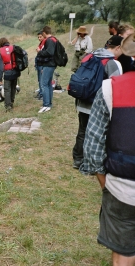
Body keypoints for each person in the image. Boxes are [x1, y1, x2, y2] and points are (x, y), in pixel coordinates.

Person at [80, 33, 135, 266]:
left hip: (122, 189)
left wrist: (107, 185)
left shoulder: (111, 89)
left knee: (124, 252)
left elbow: (92, 149)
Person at [72, 35, 123, 169]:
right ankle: (93, 162)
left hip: (82, 100)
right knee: (98, 133)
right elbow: (116, 85)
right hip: (98, 104)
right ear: (118, 47)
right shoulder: (112, 62)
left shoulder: (91, 56)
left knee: (82, 130)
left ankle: (77, 159)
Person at [36, 26, 57, 113]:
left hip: (49, 65)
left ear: (44, 33)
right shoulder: (54, 39)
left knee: (44, 84)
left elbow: (49, 53)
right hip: (51, 65)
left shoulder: (49, 40)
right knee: (48, 84)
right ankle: (49, 104)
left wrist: (39, 52)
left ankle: (46, 105)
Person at [0, 37, 21, 112]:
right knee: (13, 88)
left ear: (1, 44)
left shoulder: (1, 52)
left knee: (7, 90)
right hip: (15, 72)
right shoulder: (13, 48)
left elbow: (1, 66)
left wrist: (0, 77)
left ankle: (8, 106)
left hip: (7, 73)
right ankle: (11, 102)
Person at [34, 31, 46, 100]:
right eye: (38, 37)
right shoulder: (40, 43)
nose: (39, 38)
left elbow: (43, 54)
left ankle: (42, 95)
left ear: (44, 36)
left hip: (42, 65)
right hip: (38, 64)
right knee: (39, 79)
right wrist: (36, 62)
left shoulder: (45, 43)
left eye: (40, 37)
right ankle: (40, 92)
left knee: (42, 80)